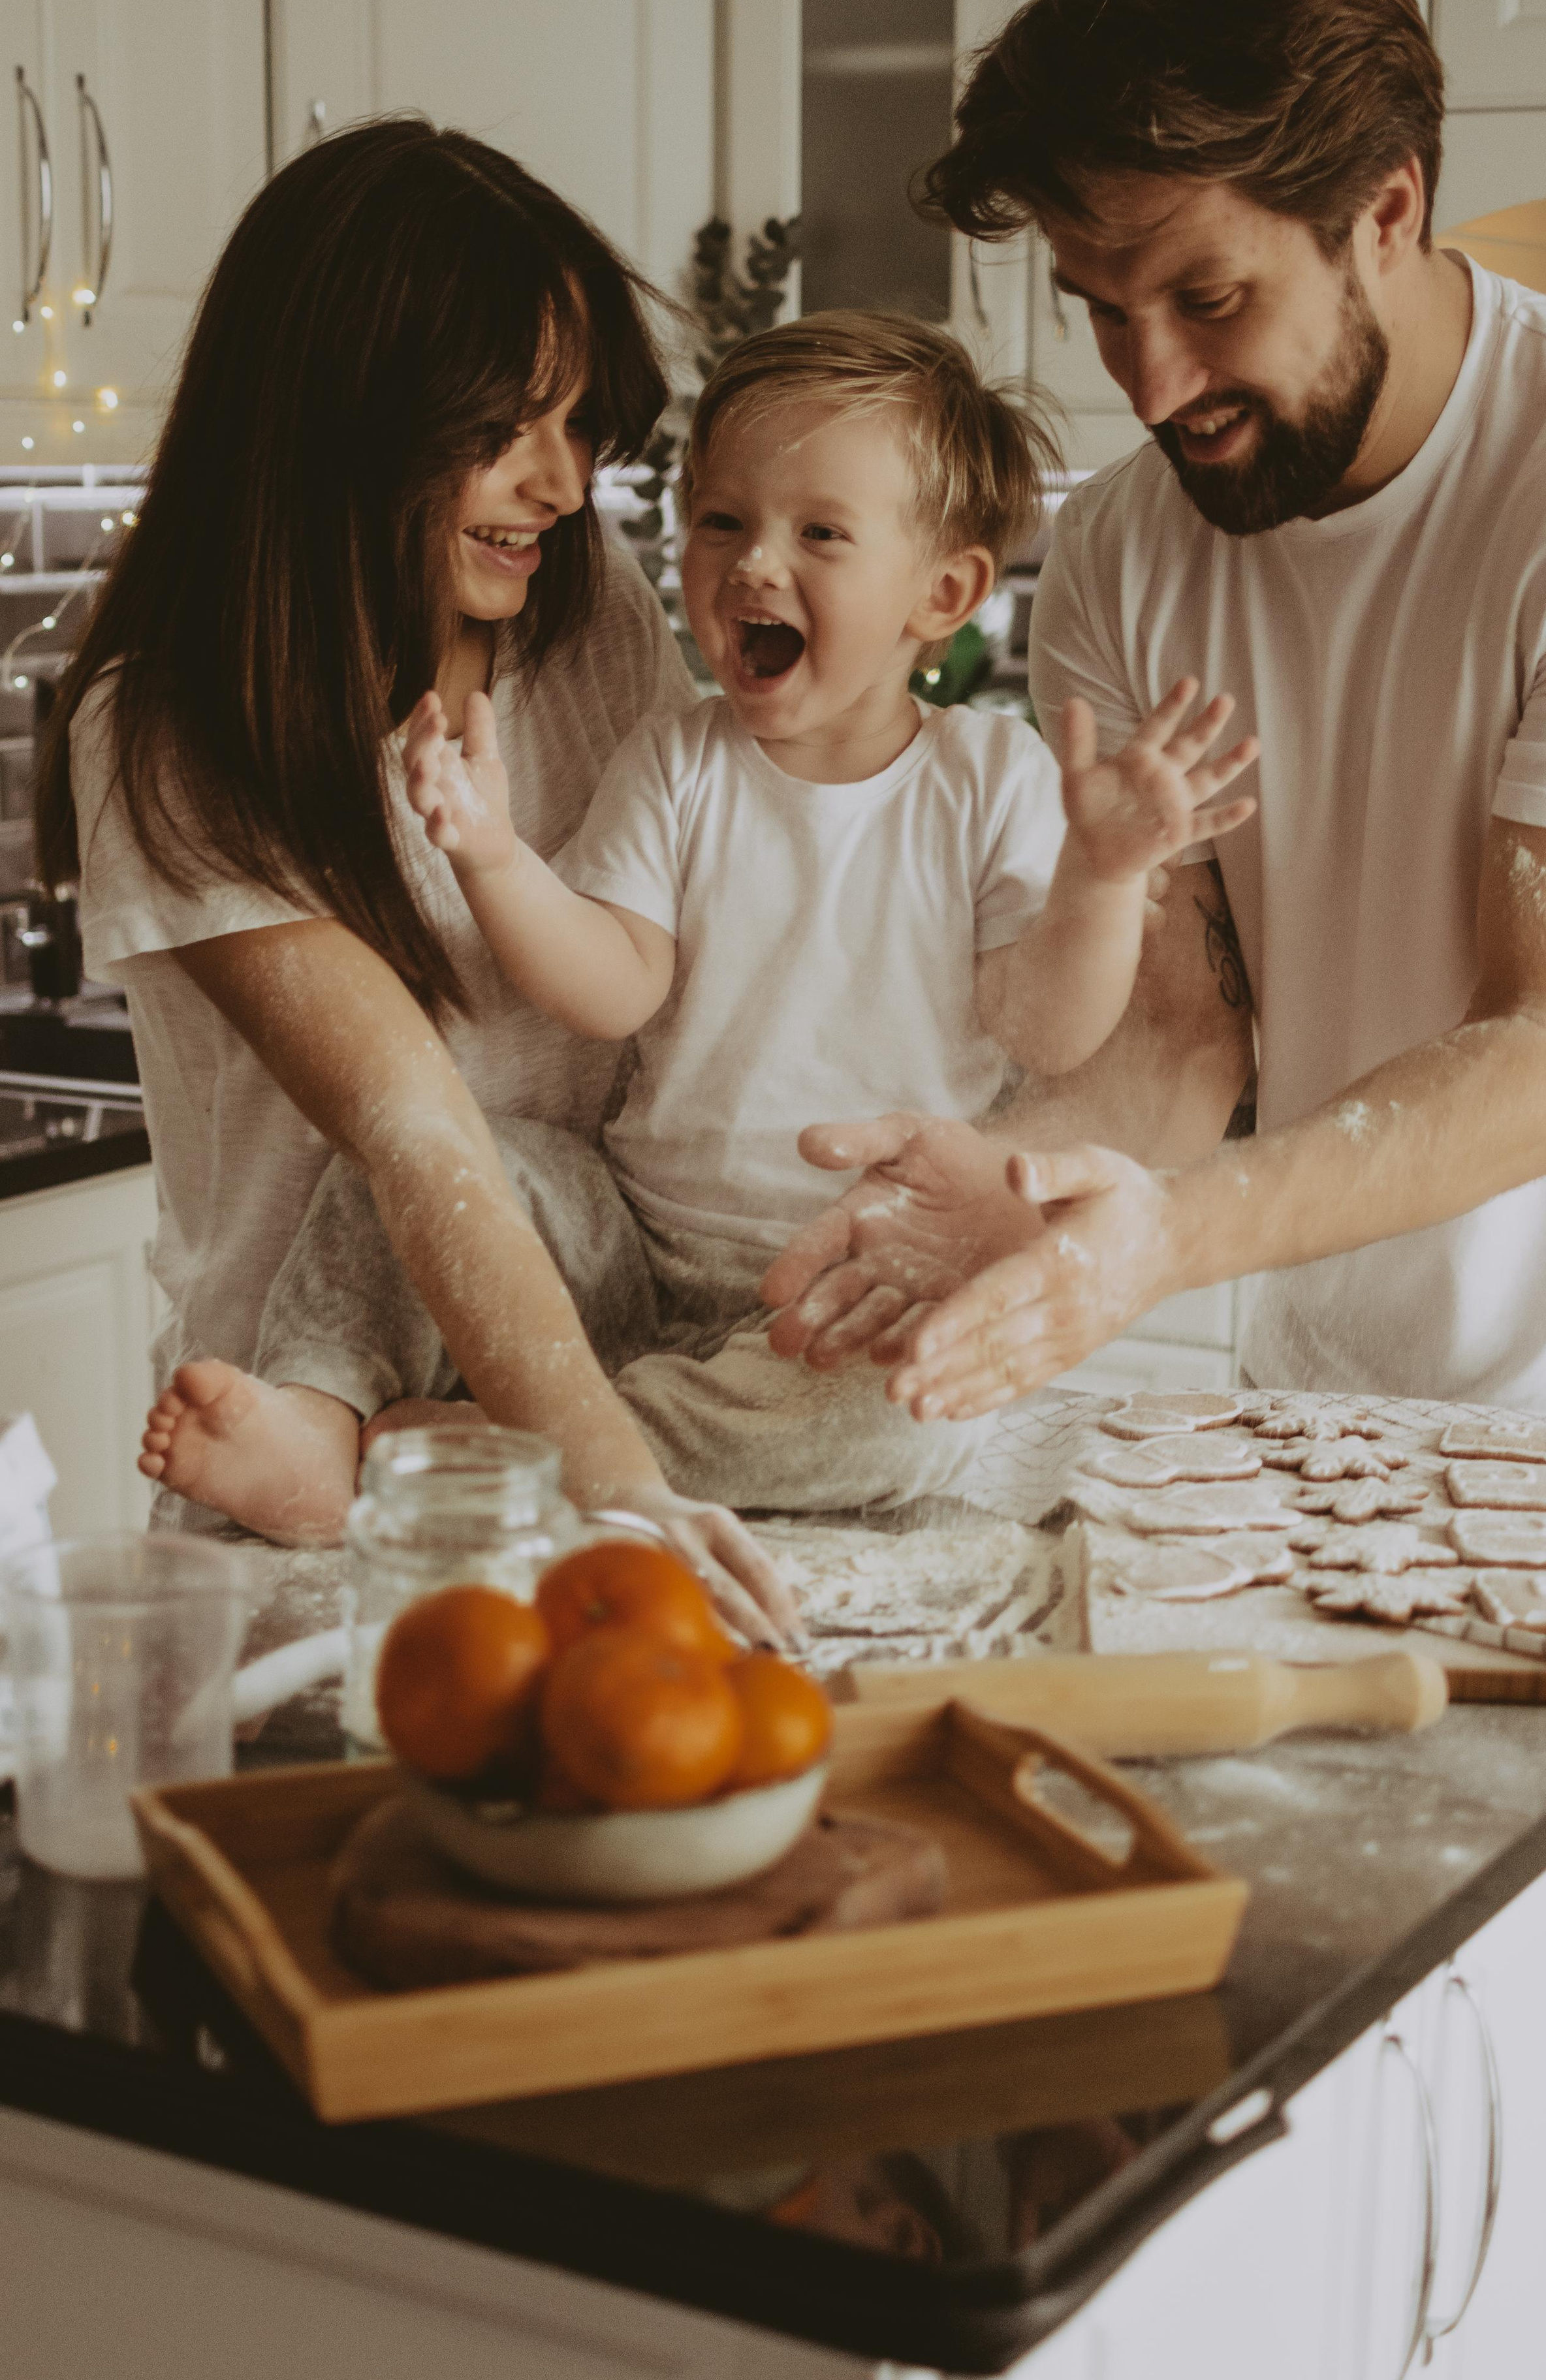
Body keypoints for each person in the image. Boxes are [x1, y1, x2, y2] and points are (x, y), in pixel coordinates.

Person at [140, 311, 1257, 1541]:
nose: (754, 565)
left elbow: (1043, 1027)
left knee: (905, 1416)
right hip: (626, 1236)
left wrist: (1103, 880)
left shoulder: (989, 777)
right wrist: (494, 857)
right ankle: (317, 1410)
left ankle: (514, 1451)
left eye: (819, 534)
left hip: (845, 1274)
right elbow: (612, 985)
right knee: (440, 1158)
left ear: (944, 592)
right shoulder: (679, 759)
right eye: (722, 522)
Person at [763, 0, 1546, 1437]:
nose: (1151, 383)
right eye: (1101, 309)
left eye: (1207, 297)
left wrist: (1171, 1236)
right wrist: (1018, 1182)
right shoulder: (1126, 547)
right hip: (1316, 1405)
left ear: (1383, 212)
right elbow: (1186, 1038)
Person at [37, 117, 794, 1643]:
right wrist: (621, 1484)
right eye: (513, 427)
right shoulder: (175, 724)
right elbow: (412, 1124)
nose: (565, 486)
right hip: (318, 1498)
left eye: (584, 428)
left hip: (583, 1403)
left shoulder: (584, 635)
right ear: (348, 417)